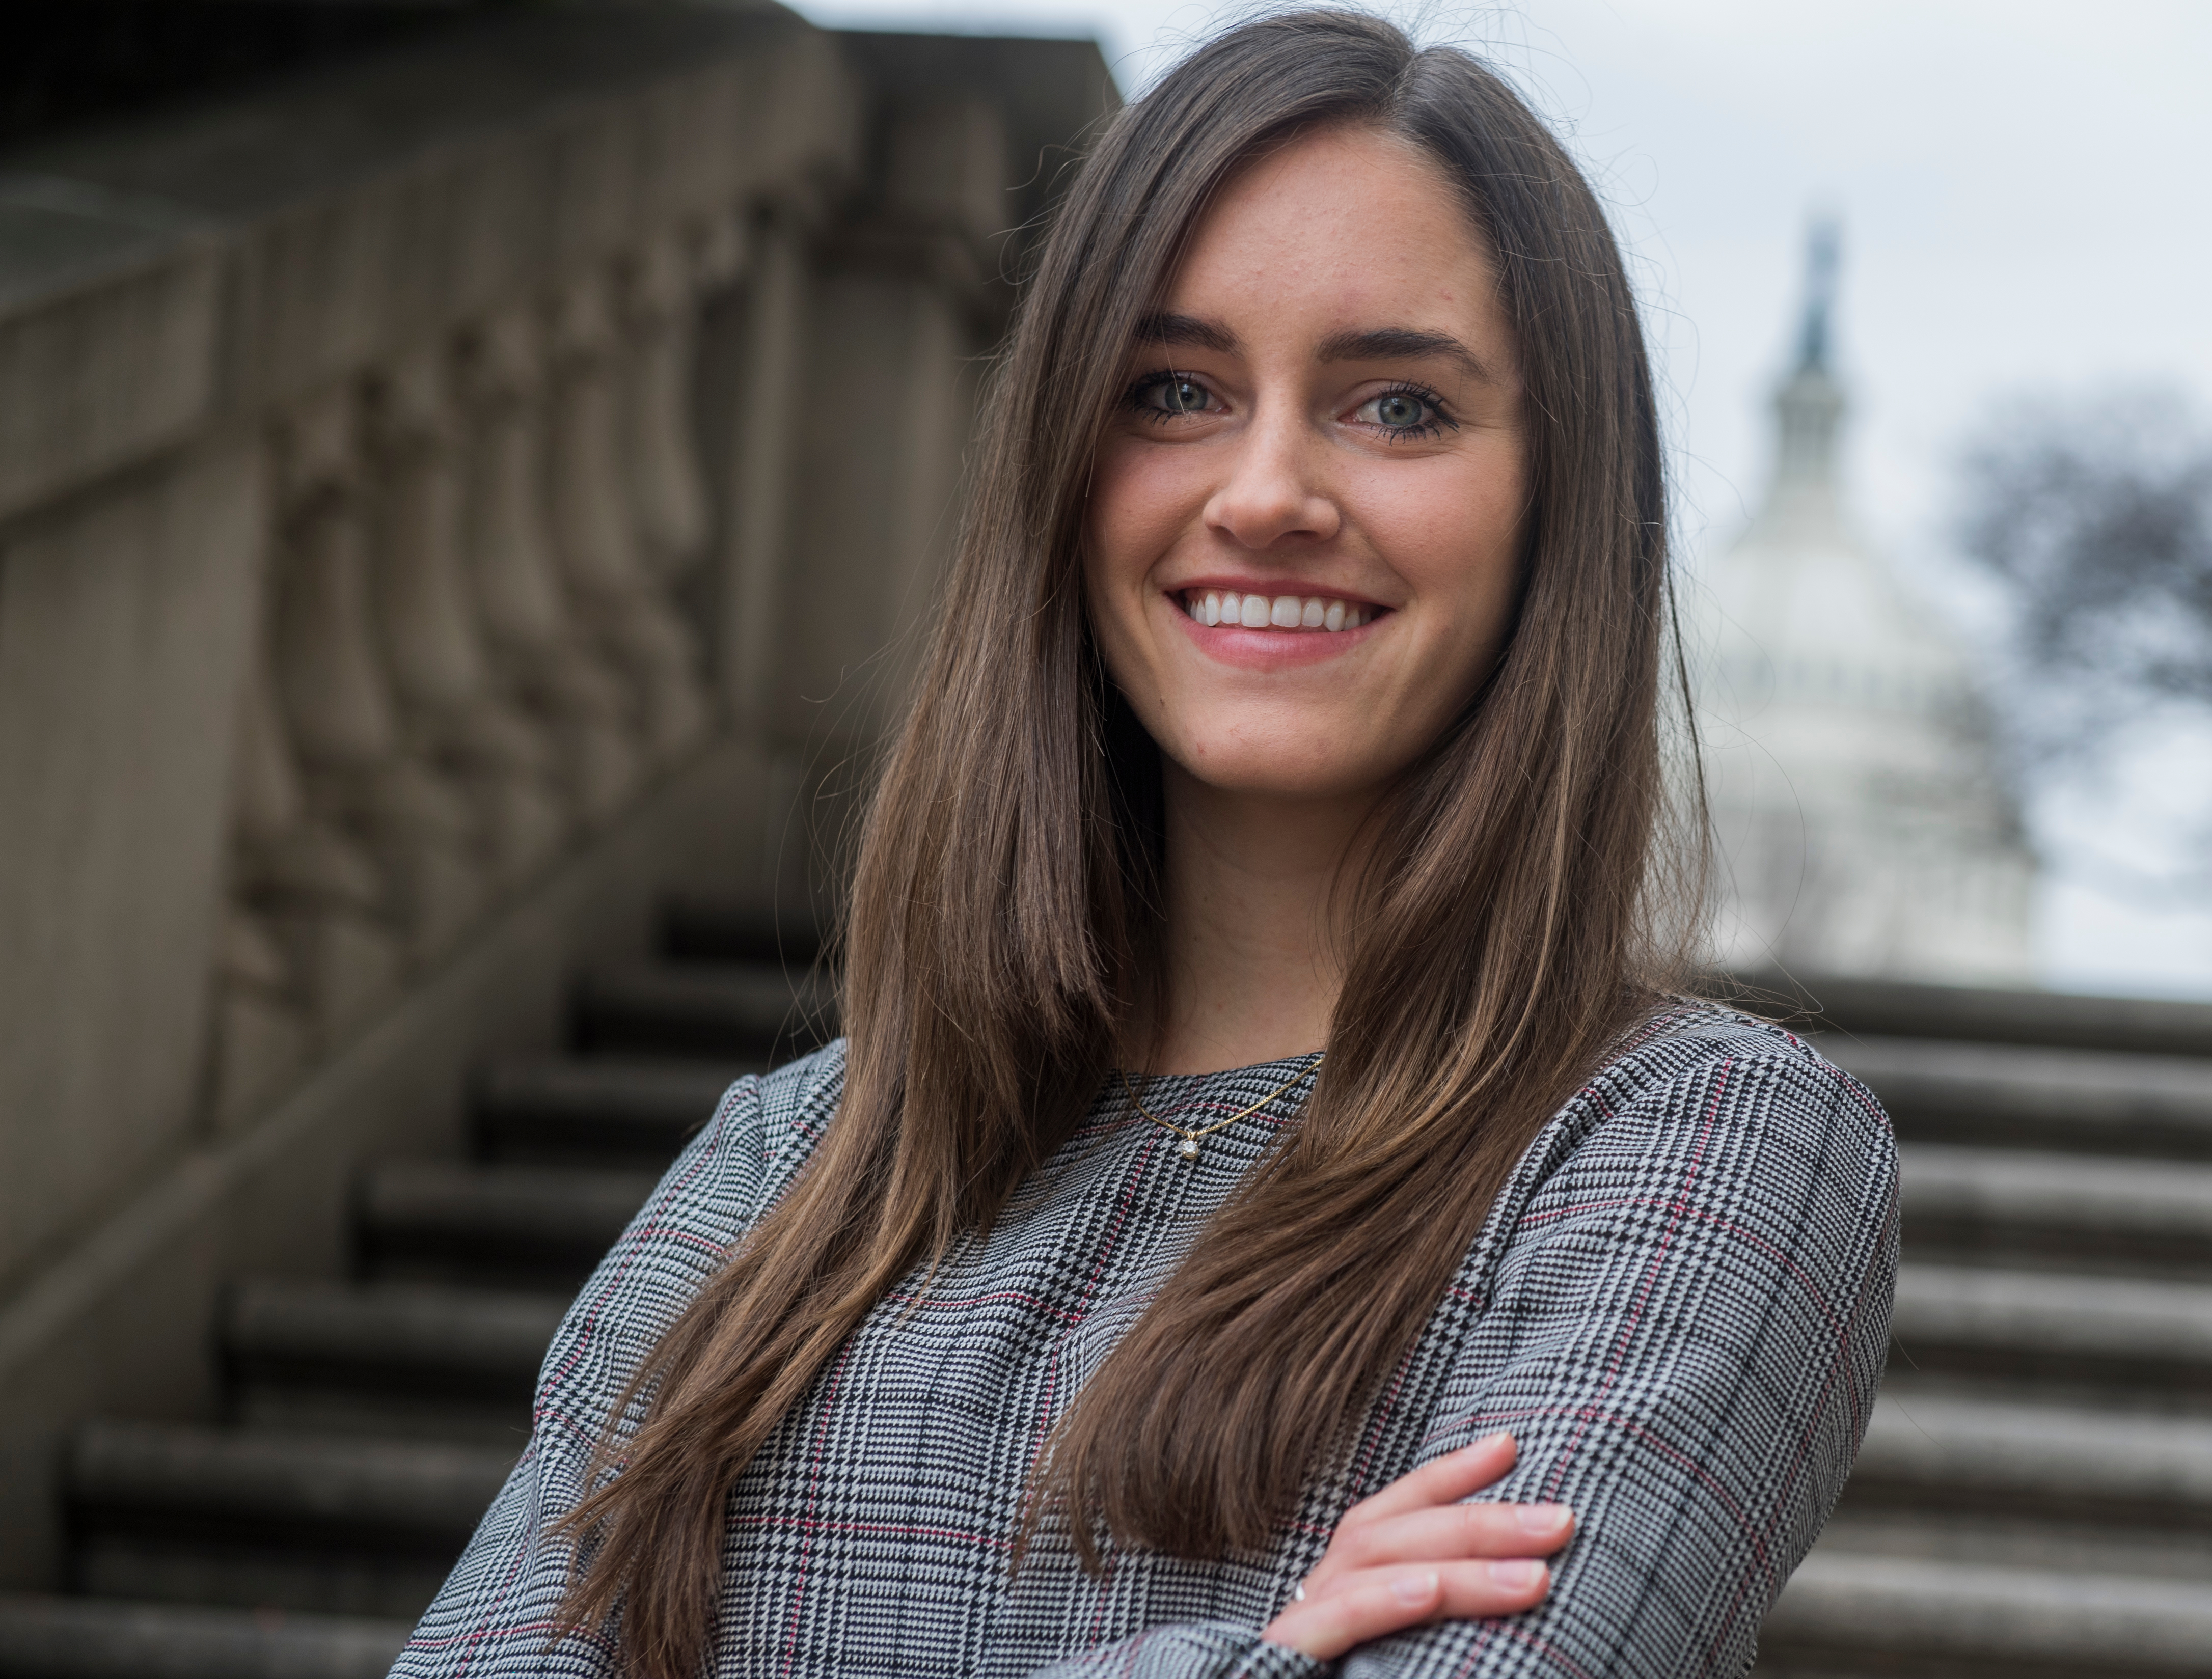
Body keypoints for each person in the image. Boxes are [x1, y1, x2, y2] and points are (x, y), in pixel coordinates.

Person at [392, 12, 1897, 1677]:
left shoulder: (1693, 1150)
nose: (1264, 491)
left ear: (1557, 505)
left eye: (1396, 406)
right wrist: (1250, 1654)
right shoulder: (793, 1161)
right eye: (1172, 390)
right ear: (1058, 463)